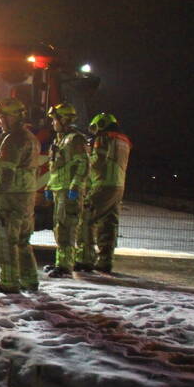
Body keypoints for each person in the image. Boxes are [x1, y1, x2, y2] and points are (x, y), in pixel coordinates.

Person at [0, 97, 40, 293]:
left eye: (2, 118)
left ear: (11, 117)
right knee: (23, 241)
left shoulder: (12, 140)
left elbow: (6, 175)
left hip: (10, 197)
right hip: (26, 196)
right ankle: (30, 279)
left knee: (5, 241)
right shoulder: (30, 137)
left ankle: (8, 282)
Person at [77, 112, 131, 273]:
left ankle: (85, 259)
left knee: (86, 218)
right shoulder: (124, 140)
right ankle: (105, 261)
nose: (94, 132)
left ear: (101, 124)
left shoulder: (104, 138)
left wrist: (87, 155)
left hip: (102, 184)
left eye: (95, 127)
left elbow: (97, 162)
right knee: (108, 224)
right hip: (118, 186)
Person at [43, 103, 89, 278]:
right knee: (59, 228)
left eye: (55, 119)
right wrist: (49, 186)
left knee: (67, 228)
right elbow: (55, 167)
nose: (53, 123)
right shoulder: (59, 139)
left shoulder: (75, 139)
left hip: (69, 191)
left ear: (64, 119)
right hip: (59, 189)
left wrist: (76, 187)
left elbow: (83, 164)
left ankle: (65, 266)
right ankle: (60, 263)